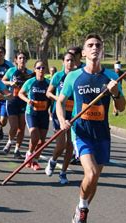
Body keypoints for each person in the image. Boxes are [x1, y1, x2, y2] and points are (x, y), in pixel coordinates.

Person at [56, 34, 126, 223]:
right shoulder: (74, 76)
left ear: (102, 50)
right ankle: (83, 210)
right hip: (82, 133)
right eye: (90, 45)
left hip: (102, 135)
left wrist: (116, 93)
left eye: (98, 45)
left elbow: (120, 107)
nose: (94, 47)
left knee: (94, 179)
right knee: (92, 173)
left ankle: (81, 209)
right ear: (84, 53)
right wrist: (62, 120)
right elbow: (60, 101)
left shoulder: (112, 77)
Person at [45, 52, 75, 184]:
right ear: (63, 62)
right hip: (59, 113)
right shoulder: (58, 76)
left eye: (72, 60)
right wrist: (59, 100)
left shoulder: (76, 76)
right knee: (61, 144)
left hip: (74, 114)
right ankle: (53, 161)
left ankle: (63, 173)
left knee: (70, 145)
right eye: (67, 60)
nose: (70, 63)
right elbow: (48, 92)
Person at [18, 60, 50, 170]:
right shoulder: (30, 82)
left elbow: (53, 96)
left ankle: (35, 160)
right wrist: (27, 100)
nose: (41, 70)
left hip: (44, 114)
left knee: (42, 141)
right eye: (38, 68)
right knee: (35, 136)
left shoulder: (48, 83)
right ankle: (29, 154)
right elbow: (20, 93)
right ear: (35, 70)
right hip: (32, 113)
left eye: (43, 68)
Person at [2, 51, 33, 159]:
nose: (22, 60)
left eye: (24, 58)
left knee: (21, 128)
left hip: (23, 101)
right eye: (20, 58)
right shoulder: (11, 71)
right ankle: (9, 142)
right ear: (16, 60)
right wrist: (10, 83)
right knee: (14, 126)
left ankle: (17, 149)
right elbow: (3, 81)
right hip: (12, 100)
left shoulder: (29, 73)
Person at [0, 46, 14, 144]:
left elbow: (13, 79)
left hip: (4, 96)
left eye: (1, 52)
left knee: (3, 121)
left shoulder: (9, 66)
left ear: (4, 54)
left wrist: (6, 83)